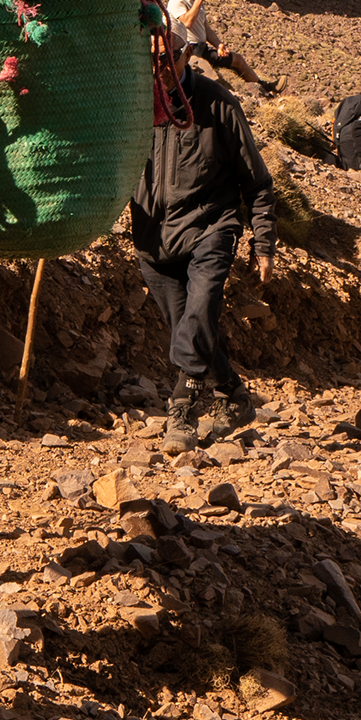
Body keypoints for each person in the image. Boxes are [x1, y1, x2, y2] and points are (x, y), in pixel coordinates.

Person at [132, 60, 276, 452]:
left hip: (211, 227)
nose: (158, 65)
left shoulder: (217, 102)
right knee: (189, 327)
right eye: (151, 56)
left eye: (166, 55)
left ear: (185, 53)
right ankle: (233, 394)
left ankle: (182, 409)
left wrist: (263, 243)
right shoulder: (132, 100)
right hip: (153, 239)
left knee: (197, 316)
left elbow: (257, 181)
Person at [166, 0, 279, 94]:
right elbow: (186, 22)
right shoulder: (177, 1)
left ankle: (262, 86)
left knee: (237, 59)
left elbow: (206, 28)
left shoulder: (196, 2)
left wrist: (219, 44)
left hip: (202, 47)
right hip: (189, 48)